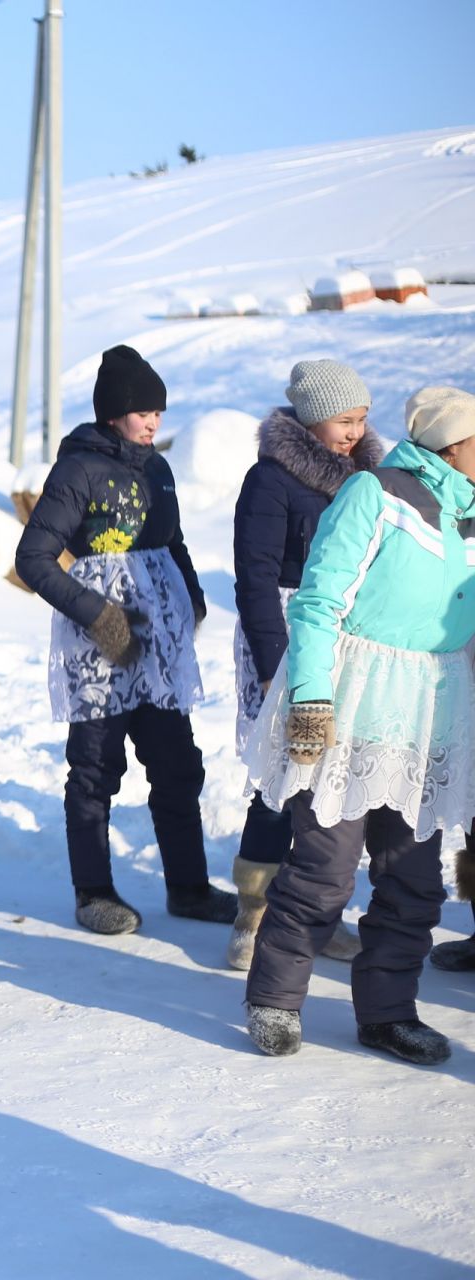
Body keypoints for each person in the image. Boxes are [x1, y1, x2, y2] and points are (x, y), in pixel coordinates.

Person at [243, 386, 475, 1065]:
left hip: (429, 715)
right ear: (453, 445)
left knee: (415, 880)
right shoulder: (376, 494)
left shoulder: (471, 516)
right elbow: (316, 604)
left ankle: (387, 1012)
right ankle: (275, 998)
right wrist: (311, 700)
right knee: (324, 872)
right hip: (353, 703)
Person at [15, 345, 235, 935]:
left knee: (178, 765)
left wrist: (190, 597)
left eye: (160, 413)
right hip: (99, 647)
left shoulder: (156, 468)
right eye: (145, 412)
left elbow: (175, 540)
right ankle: (93, 893)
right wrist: (99, 617)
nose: (155, 422)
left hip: (157, 646)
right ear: (115, 411)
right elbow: (33, 559)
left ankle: (188, 888)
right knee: (95, 768)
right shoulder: (77, 470)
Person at [225, 360, 383, 969]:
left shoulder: (369, 478)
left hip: (345, 639)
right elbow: (255, 579)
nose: (355, 430)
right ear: (313, 419)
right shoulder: (270, 480)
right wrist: (270, 665)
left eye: (362, 418)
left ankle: (318, 915)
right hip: (287, 635)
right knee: (278, 773)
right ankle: (254, 913)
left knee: (329, 775)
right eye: (344, 419)